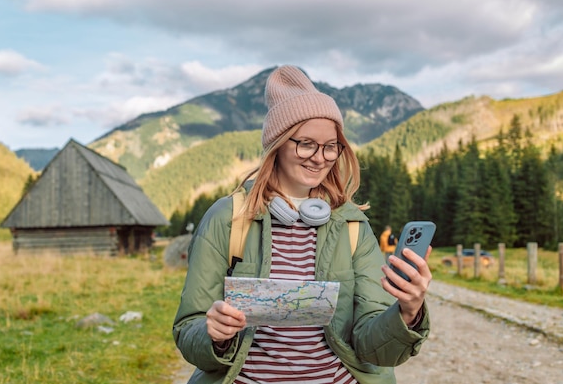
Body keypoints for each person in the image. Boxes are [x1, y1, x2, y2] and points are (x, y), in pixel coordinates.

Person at [173, 65, 432, 384]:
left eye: (330, 146)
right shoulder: (227, 218)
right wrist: (213, 333)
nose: (320, 157)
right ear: (278, 143)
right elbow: (188, 330)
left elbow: (373, 349)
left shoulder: (352, 225)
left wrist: (408, 312)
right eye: (306, 143)